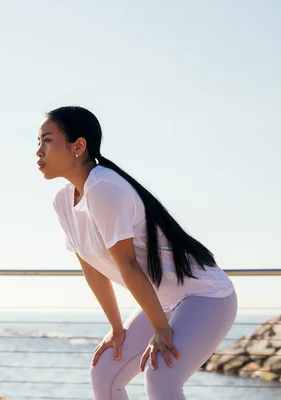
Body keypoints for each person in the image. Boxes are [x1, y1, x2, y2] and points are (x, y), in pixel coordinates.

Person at [36, 106, 237, 400]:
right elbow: (92, 268)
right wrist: (117, 328)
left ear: (78, 146)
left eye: (47, 140)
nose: (38, 150)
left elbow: (128, 265)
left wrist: (161, 329)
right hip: (163, 300)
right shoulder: (63, 200)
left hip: (205, 296)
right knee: (105, 370)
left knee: (161, 373)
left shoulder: (104, 186)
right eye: (38, 141)